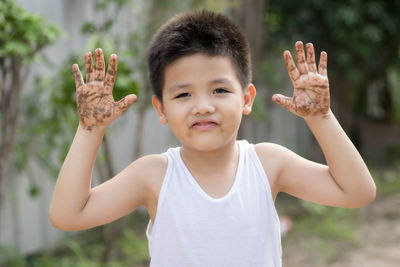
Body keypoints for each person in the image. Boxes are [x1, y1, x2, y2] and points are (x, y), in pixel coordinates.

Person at [49, 10, 376, 267]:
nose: (203, 106)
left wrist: (321, 117)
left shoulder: (268, 164)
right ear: (160, 109)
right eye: (183, 95)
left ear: (246, 98)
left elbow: (357, 192)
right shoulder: (154, 176)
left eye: (219, 90)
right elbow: (68, 215)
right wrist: (90, 129)